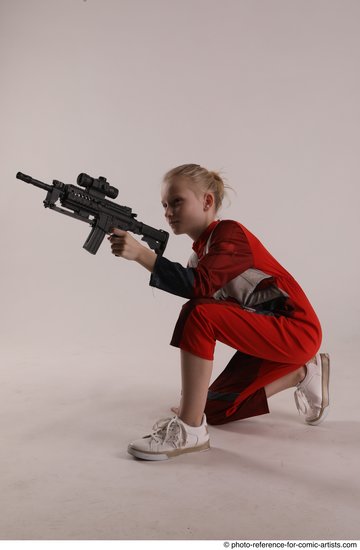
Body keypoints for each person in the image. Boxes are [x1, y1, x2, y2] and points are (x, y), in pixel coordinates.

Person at [108, 163, 330, 461]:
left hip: (295, 330)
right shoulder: (198, 256)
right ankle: (301, 372)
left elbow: (200, 290)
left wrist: (143, 256)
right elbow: (204, 292)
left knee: (199, 312)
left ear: (207, 201)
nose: (168, 212)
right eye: (164, 204)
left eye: (177, 201)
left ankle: (190, 430)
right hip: (267, 337)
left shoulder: (230, 233)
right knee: (213, 409)